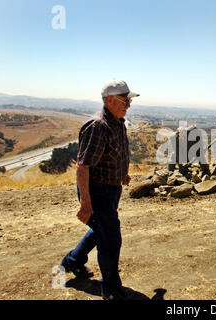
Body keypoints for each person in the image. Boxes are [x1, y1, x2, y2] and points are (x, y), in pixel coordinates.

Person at [60, 79, 140, 300]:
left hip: (111, 190)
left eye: (129, 100)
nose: (129, 104)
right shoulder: (98, 126)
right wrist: (85, 203)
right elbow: (83, 167)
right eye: (125, 100)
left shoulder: (117, 121)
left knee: (100, 230)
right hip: (98, 193)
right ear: (110, 100)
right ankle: (111, 289)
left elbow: (114, 154)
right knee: (111, 239)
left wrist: (122, 173)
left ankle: (72, 262)